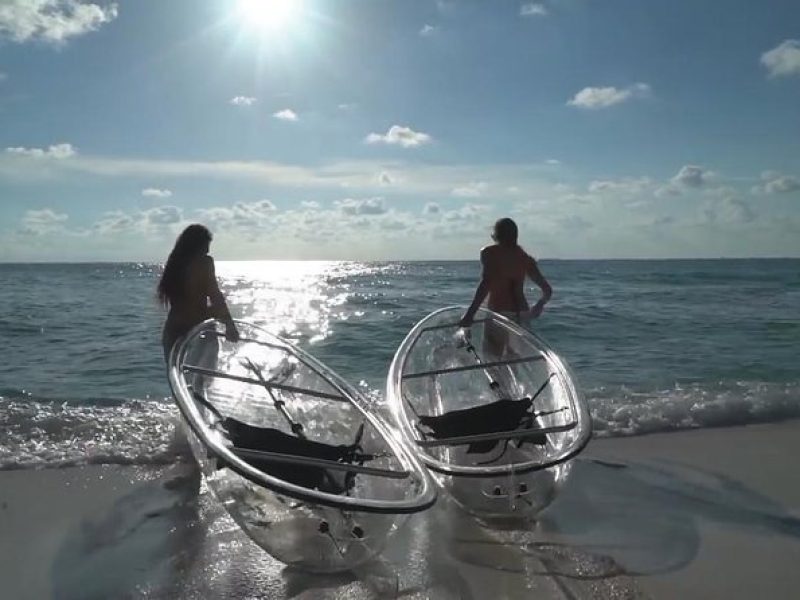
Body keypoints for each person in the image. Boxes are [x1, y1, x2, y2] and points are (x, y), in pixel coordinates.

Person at [459, 218, 552, 355]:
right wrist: (539, 305)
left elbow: (486, 283)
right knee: (514, 364)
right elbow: (547, 290)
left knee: (492, 362)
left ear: (496, 235)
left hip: (499, 313)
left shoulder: (490, 253)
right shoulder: (525, 258)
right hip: (522, 316)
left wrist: (469, 314)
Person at [157, 224, 239, 360]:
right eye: (206, 245)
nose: (207, 250)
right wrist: (229, 325)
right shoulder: (205, 262)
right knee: (202, 378)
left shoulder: (174, 264)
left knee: (177, 375)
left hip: (173, 330)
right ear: (197, 245)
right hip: (198, 330)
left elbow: (183, 304)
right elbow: (215, 295)